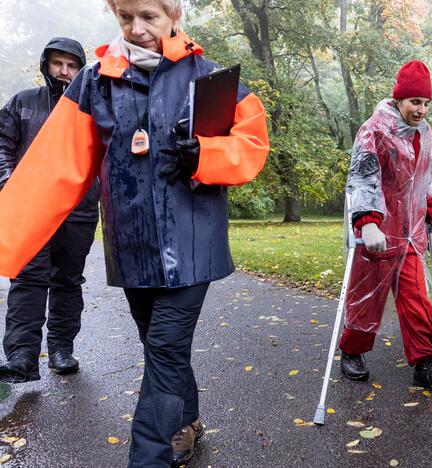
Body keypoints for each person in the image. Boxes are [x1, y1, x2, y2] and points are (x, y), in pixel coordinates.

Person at [0, 0, 269, 465]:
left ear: (173, 16)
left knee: (164, 347)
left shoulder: (210, 77)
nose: (137, 28)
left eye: (149, 16)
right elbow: (53, 167)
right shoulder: (93, 83)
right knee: (159, 345)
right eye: (126, 17)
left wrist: (205, 156)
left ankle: (149, 457)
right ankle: (188, 419)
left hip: (193, 245)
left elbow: (253, 142)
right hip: (132, 247)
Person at [339, 60, 432, 393]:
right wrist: (368, 223)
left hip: (410, 234)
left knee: (417, 298)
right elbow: (363, 177)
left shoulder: (424, 132)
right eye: (415, 102)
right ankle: (352, 351)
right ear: (399, 99)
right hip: (378, 231)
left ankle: (425, 364)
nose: (421, 110)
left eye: (425, 103)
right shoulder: (375, 129)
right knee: (366, 297)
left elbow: (426, 178)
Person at [0, 37, 100, 383]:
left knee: (68, 280)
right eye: (58, 64)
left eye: (72, 66)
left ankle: (61, 349)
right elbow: (2, 144)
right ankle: (22, 356)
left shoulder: (93, 108)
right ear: (46, 64)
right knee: (28, 278)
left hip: (79, 209)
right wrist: (10, 183)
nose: (64, 72)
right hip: (31, 208)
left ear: (81, 69)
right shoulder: (23, 102)